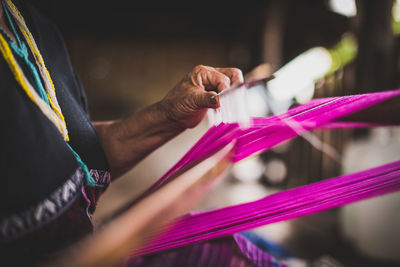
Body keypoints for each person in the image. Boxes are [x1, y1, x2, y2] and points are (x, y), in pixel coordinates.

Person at [0, 1, 285, 266]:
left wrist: (168, 115)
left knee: (241, 249)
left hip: (94, 247)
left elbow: (78, 158)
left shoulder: (30, 25)